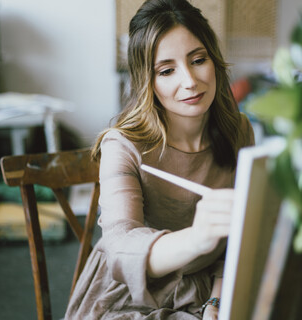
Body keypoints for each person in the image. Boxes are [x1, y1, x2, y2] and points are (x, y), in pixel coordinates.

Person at [65, 0, 254, 319]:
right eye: (166, 70)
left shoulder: (239, 130)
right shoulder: (123, 144)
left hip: (215, 284)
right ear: (146, 81)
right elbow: (121, 249)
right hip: (134, 291)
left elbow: (239, 237)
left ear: (214, 60)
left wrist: (216, 304)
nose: (190, 81)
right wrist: (197, 237)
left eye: (198, 60)